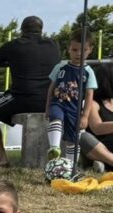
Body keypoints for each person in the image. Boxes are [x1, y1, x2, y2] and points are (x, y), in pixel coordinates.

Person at [0, 16, 61, 167]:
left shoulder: (14, 45)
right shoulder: (53, 44)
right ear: (41, 30)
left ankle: (1, 157)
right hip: (49, 100)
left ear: (22, 30)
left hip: (21, 98)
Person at [45, 30, 96, 162]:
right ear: (68, 48)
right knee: (55, 117)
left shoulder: (88, 72)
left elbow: (89, 95)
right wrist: (47, 107)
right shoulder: (60, 67)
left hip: (75, 110)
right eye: (74, 50)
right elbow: (51, 88)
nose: (78, 54)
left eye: (83, 50)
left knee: (72, 140)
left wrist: (85, 116)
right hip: (58, 103)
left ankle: (71, 165)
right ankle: (54, 148)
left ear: (90, 50)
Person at [82, 63, 113, 170]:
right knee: (84, 138)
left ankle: (104, 165)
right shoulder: (92, 103)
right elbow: (97, 128)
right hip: (102, 148)